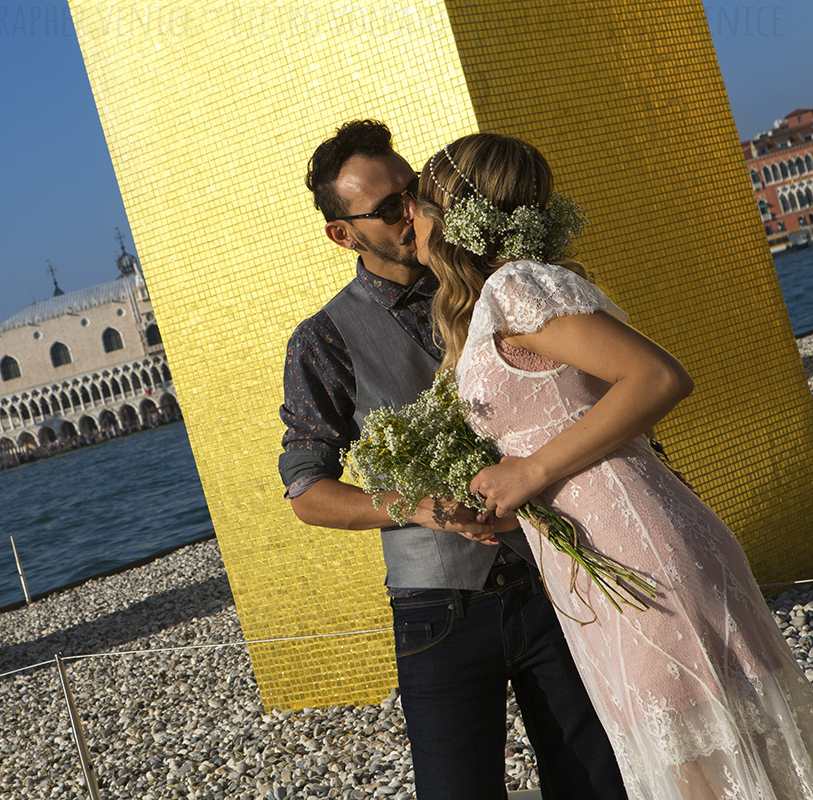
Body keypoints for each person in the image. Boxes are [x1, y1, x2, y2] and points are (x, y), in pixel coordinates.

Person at [412, 131, 813, 799]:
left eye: (419, 203)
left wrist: (529, 474)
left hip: (639, 554)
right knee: (688, 763)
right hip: (590, 565)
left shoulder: (517, 287)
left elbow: (657, 377)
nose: (409, 222)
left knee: (701, 767)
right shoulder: (488, 307)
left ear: (452, 214)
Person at [279, 120, 628, 799]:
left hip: (551, 572)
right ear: (341, 234)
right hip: (438, 610)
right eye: (384, 209)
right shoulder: (323, 341)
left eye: (411, 190)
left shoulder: (492, 283)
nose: (409, 211)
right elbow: (306, 492)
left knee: (597, 779)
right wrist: (414, 508)